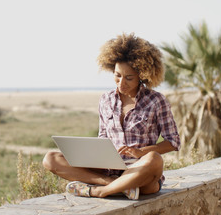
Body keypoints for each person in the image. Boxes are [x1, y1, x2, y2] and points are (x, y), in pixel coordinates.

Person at [42, 33, 180, 200]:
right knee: (50, 159)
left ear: (141, 76)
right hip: (108, 169)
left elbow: (173, 142)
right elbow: (103, 136)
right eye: (117, 75)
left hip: (139, 171)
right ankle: (110, 184)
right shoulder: (106, 99)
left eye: (129, 78)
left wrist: (141, 152)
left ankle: (99, 191)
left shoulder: (156, 101)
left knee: (154, 159)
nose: (121, 83)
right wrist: (94, 154)